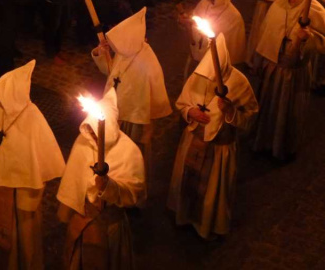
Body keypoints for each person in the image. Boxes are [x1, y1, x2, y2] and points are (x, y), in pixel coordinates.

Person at [0, 60, 65, 269]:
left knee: (23, 234)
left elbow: (39, 160)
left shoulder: (32, 118)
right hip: (0, 181)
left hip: (23, 190)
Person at [167, 34, 258, 240]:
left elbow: (250, 118)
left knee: (212, 194)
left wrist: (229, 112)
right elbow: (182, 103)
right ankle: (183, 216)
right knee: (186, 183)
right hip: (193, 140)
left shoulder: (239, 83)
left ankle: (205, 225)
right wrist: (190, 112)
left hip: (219, 149)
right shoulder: (198, 76)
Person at [56, 89, 146, 269]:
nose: (95, 137)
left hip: (109, 225)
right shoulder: (83, 143)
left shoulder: (129, 151)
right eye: (92, 131)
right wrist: (68, 210)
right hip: (82, 220)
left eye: (99, 133)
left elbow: (133, 193)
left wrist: (109, 186)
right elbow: (73, 180)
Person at [91, 7, 172, 173]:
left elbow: (146, 99)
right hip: (117, 113)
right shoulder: (126, 51)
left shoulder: (147, 62)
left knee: (130, 157)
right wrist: (102, 52)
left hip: (134, 122)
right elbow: (112, 73)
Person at [251, 0, 325, 161]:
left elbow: (322, 42)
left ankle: (282, 148)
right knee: (268, 106)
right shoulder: (278, 5)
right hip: (272, 66)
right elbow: (265, 32)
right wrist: (258, 61)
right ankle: (264, 141)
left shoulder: (314, 9)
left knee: (287, 109)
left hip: (293, 74)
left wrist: (307, 39)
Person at [179, 0, 246, 80]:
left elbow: (233, 59)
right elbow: (194, 30)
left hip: (215, 72)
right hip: (196, 61)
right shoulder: (203, 4)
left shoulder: (234, 18)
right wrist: (186, 23)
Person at [245, 0, 275, 69]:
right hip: (265, 6)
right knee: (257, 33)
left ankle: (260, 64)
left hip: (275, 8)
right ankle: (254, 60)